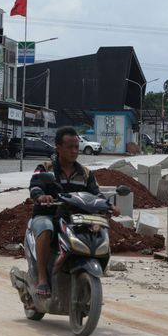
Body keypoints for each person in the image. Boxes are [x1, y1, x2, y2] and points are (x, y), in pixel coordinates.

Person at [28, 126, 116, 297]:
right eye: (70, 147)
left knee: (96, 228)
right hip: (47, 214)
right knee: (46, 229)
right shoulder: (45, 167)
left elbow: (96, 194)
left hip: (74, 217)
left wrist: (109, 205)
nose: (75, 151)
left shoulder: (85, 173)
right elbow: (34, 186)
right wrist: (41, 196)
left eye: (77, 147)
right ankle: (42, 277)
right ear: (58, 147)